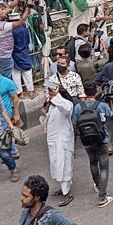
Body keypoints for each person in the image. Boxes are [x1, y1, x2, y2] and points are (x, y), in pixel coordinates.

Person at [5, 175, 83, 225]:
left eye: (26, 196)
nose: (21, 199)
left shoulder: (52, 216)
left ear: (37, 197)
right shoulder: (25, 213)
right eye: (22, 195)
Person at [71, 81, 113, 208]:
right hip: (102, 139)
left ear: (84, 92)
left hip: (87, 141)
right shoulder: (101, 105)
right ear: (95, 92)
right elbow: (112, 115)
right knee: (104, 167)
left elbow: (74, 124)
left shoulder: (79, 107)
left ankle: (97, 184)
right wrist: (111, 101)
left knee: (92, 162)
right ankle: (102, 196)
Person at [40, 79, 75, 207]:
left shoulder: (65, 103)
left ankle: (67, 193)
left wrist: (55, 95)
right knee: (56, 164)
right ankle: (63, 188)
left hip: (63, 141)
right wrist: (44, 114)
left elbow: (65, 109)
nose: (48, 93)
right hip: (53, 140)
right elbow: (46, 122)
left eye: (50, 90)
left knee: (64, 165)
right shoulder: (50, 104)